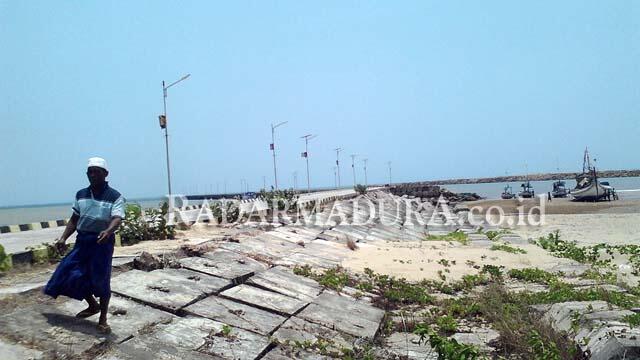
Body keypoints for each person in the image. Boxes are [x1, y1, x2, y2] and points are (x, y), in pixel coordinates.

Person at [44, 157, 124, 334]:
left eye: (97, 171)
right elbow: (74, 219)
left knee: (101, 281)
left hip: (102, 243)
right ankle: (92, 305)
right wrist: (63, 238)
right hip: (83, 242)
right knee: (70, 273)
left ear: (105, 174)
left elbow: (117, 218)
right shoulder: (81, 194)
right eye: (90, 172)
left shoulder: (115, 196)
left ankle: (103, 319)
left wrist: (108, 231)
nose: (93, 175)